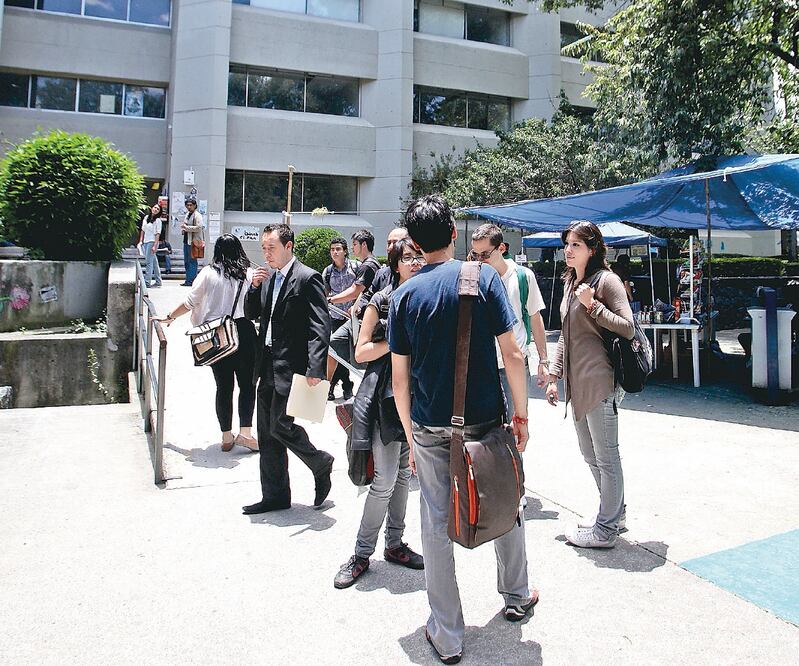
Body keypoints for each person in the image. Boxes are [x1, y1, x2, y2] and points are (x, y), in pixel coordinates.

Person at [388, 195, 536, 665]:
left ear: (413, 243)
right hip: (487, 421)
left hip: (431, 427)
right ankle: (515, 594)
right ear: (454, 234)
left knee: (434, 520)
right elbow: (513, 354)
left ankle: (448, 634)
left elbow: (399, 378)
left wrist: (411, 439)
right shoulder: (484, 278)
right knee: (505, 497)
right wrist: (521, 414)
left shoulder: (403, 296)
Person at [334, 237, 426, 589]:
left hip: (418, 401)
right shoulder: (381, 301)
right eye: (407, 257)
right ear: (395, 263)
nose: (415, 262)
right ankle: (360, 554)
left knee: (403, 474)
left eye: (418, 256)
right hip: (385, 401)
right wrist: (397, 342)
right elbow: (360, 353)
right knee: (384, 481)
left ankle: (395, 543)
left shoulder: (425, 297)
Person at [545, 220, 635, 548]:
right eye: (566, 244)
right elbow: (566, 337)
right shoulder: (572, 282)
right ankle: (615, 512)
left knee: (607, 456)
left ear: (592, 248)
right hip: (578, 384)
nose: (568, 250)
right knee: (590, 454)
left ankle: (606, 529)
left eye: (576, 245)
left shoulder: (606, 281)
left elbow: (627, 327)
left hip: (602, 381)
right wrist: (554, 375)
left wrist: (593, 306)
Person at [242, 224, 334, 515]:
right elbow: (253, 314)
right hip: (266, 363)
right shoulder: (268, 278)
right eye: (264, 248)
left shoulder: (308, 278)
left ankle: (320, 462)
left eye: (271, 248)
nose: (266, 254)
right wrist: (254, 288)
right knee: (267, 433)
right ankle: (275, 495)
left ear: (289, 246)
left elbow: (321, 326)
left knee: (281, 425)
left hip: (293, 367)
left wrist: (316, 367)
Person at [155, 234, 258, 452]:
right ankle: (246, 434)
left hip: (216, 336)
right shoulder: (248, 274)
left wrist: (170, 316)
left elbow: (190, 303)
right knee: (247, 386)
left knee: (223, 387)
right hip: (244, 332)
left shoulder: (208, 274)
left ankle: (226, 436)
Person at [470, 224, 549, 417]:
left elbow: (535, 317)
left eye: (485, 254)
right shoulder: (472, 277)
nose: (480, 260)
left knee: (516, 423)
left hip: (514, 362)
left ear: (501, 249)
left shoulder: (522, 276)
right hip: (482, 364)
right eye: (475, 255)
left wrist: (544, 360)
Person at [326, 229, 381, 382]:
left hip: (363, 321)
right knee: (335, 347)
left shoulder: (367, 266)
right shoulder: (372, 264)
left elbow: (355, 291)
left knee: (333, 346)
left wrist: (331, 300)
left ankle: (325, 386)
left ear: (364, 245)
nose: (352, 248)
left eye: (355, 244)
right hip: (358, 319)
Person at [322, 237, 357, 401]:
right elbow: (325, 293)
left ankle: (338, 384)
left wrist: (356, 306)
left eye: (338, 249)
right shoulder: (328, 271)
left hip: (352, 319)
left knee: (345, 354)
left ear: (345, 251)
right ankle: (342, 385)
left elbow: (362, 290)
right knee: (335, 352)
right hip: (335, 317)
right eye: (332, 249)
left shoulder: (355, 267)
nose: (335, 252)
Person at [138, 203, 163, 288]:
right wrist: (140, 241)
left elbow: (157, 234)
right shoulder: (146, 218)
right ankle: (158, 281)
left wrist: (155, 245)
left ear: (159, 212)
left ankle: (147, 282)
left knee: (149, 262)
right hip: (145, 241)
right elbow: (143, 230)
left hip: (152, 242)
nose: (155, 209)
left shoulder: (158, 220)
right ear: (152, 208)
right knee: (154, 262)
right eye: (155, 207)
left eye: (158, 209)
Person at [181, 197, 204, 287]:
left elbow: (199, 227)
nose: (189, 207)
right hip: (186, 240)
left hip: (194, 241)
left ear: (195, 205)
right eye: (187, 205)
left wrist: (187, 228)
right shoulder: (187, 214)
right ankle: (187, 279)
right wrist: (184, 229)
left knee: (192, 261)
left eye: (191, 205)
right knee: (186, 261)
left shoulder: (197, 215)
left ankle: (192, 280)